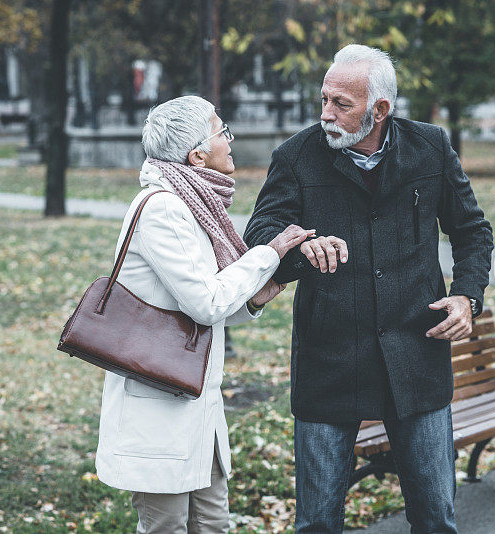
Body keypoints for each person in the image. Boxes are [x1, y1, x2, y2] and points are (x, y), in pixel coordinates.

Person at [244, 44, 494, 533]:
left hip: (416, 356)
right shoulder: (295, 156)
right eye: (323, 100)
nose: (326, 115)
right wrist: (295, 253)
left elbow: (472, 231)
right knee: (316, 523)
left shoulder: (431, 147)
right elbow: (261, 231)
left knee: (436, 518)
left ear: (380, 110)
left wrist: (468, 295)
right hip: (329, 361)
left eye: (341, 104)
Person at [94, 95, 313, 533]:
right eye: (221, 131)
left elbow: (200, 309)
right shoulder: (163, 209)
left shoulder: (196, 207)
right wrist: (267, 254)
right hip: (160, 406)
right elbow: (205, 302)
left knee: (213, 523)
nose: (229, 140)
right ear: (197, 154)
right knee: (167, 527)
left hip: (198, 409)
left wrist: (253, 299)